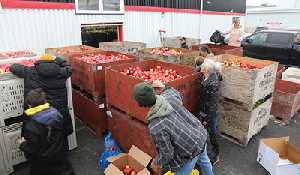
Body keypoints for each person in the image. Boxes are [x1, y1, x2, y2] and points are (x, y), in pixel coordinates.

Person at [133, 81, 214, 175]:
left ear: (141, 105)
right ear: (153, 91)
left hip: (188, 151)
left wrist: (157, 163)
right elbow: (175, 92)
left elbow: (167, 153)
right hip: (199, 136)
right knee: (205, 162)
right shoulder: (169, 97)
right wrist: (163, 86)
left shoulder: (155, 126)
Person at [10, 54, 73, 140]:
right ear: (55, 63)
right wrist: (59, 59)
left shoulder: (29, 71)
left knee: (39, 138)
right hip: (58, 112)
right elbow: (69, 67)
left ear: (38, 63)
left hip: (37, 114)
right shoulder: (62, 72)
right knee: (58, 135)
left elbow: (13, 67)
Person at [17, 88, 75, 175]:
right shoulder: (57, 114)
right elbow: (65, 131)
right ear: (45, 101)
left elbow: (32, 148)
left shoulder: (31, 126)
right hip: (60, 157)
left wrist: (22, 144)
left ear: (29, 105)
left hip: (43, 163)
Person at [197, 60, 222, 165]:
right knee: (207, 132)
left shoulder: (213, 83)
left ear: (206, 70)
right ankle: (205, 153)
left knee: (212, 133)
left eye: (202, 68)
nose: (201, 69)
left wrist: (207, 118)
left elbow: (213, 104)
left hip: (210, 113)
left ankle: (215, 155)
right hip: (204, 110)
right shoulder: (207, 76)